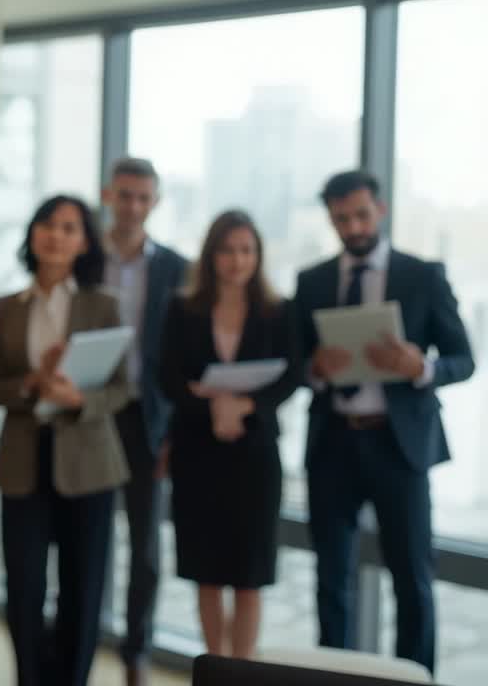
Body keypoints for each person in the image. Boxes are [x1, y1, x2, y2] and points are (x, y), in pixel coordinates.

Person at [293, 170, 475, 674]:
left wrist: (422, 368)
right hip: (333, 445)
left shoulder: (423, 276)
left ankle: (414, 681)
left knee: (413, 580)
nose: (352, 227)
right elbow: (295, 362)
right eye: (340, 219)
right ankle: (334, 680)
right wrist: (314, 369)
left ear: (381, 209)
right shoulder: (312, 282)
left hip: (400, 447)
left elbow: (464, 359)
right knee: (332, 581)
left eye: (360, 215)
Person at [0, 194, 131, 686]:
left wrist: (75, 398)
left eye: (69, 228)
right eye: (47, 224)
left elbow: (122, 386)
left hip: (89, 464)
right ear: (32, 234)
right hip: (23, 461)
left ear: (84, 242)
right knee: (23, 590)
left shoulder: (103, 305)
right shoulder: (8, 307)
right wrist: (30, 383)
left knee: (82, 591)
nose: (56, 235)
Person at [158, 210, 302, 659]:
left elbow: (292, 374)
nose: (237, 261)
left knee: (248, 574)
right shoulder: (182, 309)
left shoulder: (279, 312)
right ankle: (214, 668)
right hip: (198, 452)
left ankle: (240, 672)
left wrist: (244, 405)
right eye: (227, 250)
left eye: (246, 250)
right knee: (206, 571)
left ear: (258, 256)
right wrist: (211, 405)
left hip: (254, 454)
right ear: (211, 255)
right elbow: (167, 376)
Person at [100, 157, 190, 686]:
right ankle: (87, 637)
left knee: (146, 549)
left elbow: (181, 358)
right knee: (89, 538)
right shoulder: (87, 262)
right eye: (125, 195)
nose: (133, 206)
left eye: (144, 197)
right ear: (109, 196)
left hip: (148, 420)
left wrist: (173, 433)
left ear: (154, 203)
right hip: (89, 417)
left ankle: (137, 653)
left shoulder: (176, 268)